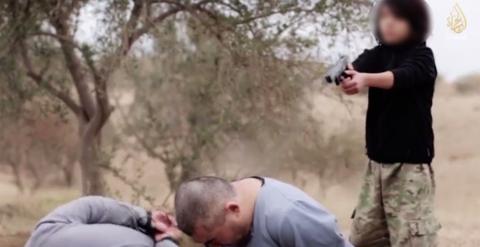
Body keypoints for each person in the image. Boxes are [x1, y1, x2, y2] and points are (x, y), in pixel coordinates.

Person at [339, 0, 441, 246]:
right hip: (376, 166)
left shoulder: (422, 56)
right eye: (384, 17)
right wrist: (346, 74)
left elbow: (400, 77)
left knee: (412, 240)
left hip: (410, 169)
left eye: (398, 17)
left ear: (415, 22)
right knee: (363, 238)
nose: (389, 23)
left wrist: (365, 79)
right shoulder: (378, 54)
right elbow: (357, 69)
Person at [174, 176, 352, 247]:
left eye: (214, 241)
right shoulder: (231, 211)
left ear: (233, 209)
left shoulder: (289, 216)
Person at [25, 196, 181, 247]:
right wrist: (168, 240)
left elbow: (92, 207)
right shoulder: (42, 233)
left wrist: (145, 219)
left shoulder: (42, 234)